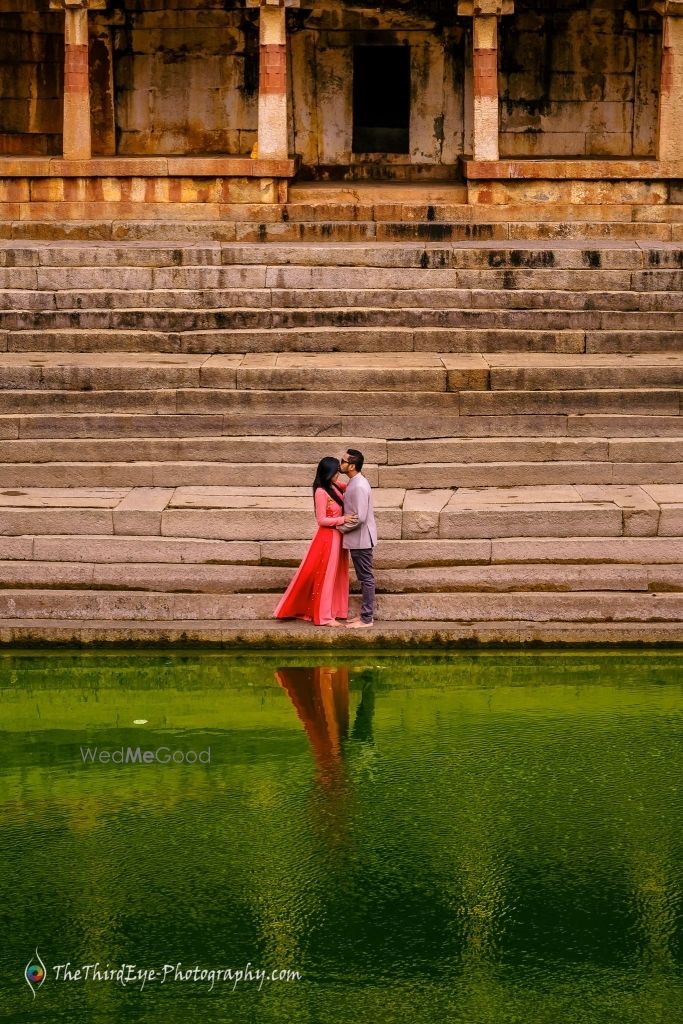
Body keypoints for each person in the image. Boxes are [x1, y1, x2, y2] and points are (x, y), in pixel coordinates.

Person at [273, 457, 358, 626]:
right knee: (326, 576)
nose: (337, 476)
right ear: (327, 473)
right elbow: (321, 520)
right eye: (335, 473)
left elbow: (353, 486)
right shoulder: (321, 491)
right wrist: (343, 519)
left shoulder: (334, 485)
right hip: (327, 538)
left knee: (338, 575)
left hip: (339, 537)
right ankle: (324, 617)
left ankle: (337, 611)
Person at [338, 448, 377, 629]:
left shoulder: (360, 485)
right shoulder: (355, 482)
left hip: (361, 540)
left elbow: (360, 517)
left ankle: (367, 619)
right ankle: (364, 616)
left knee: (366, 578)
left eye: (343, 461)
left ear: (352, 466)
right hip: (358, 539)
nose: (341, 463)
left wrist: (340, 528)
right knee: (364, 577)